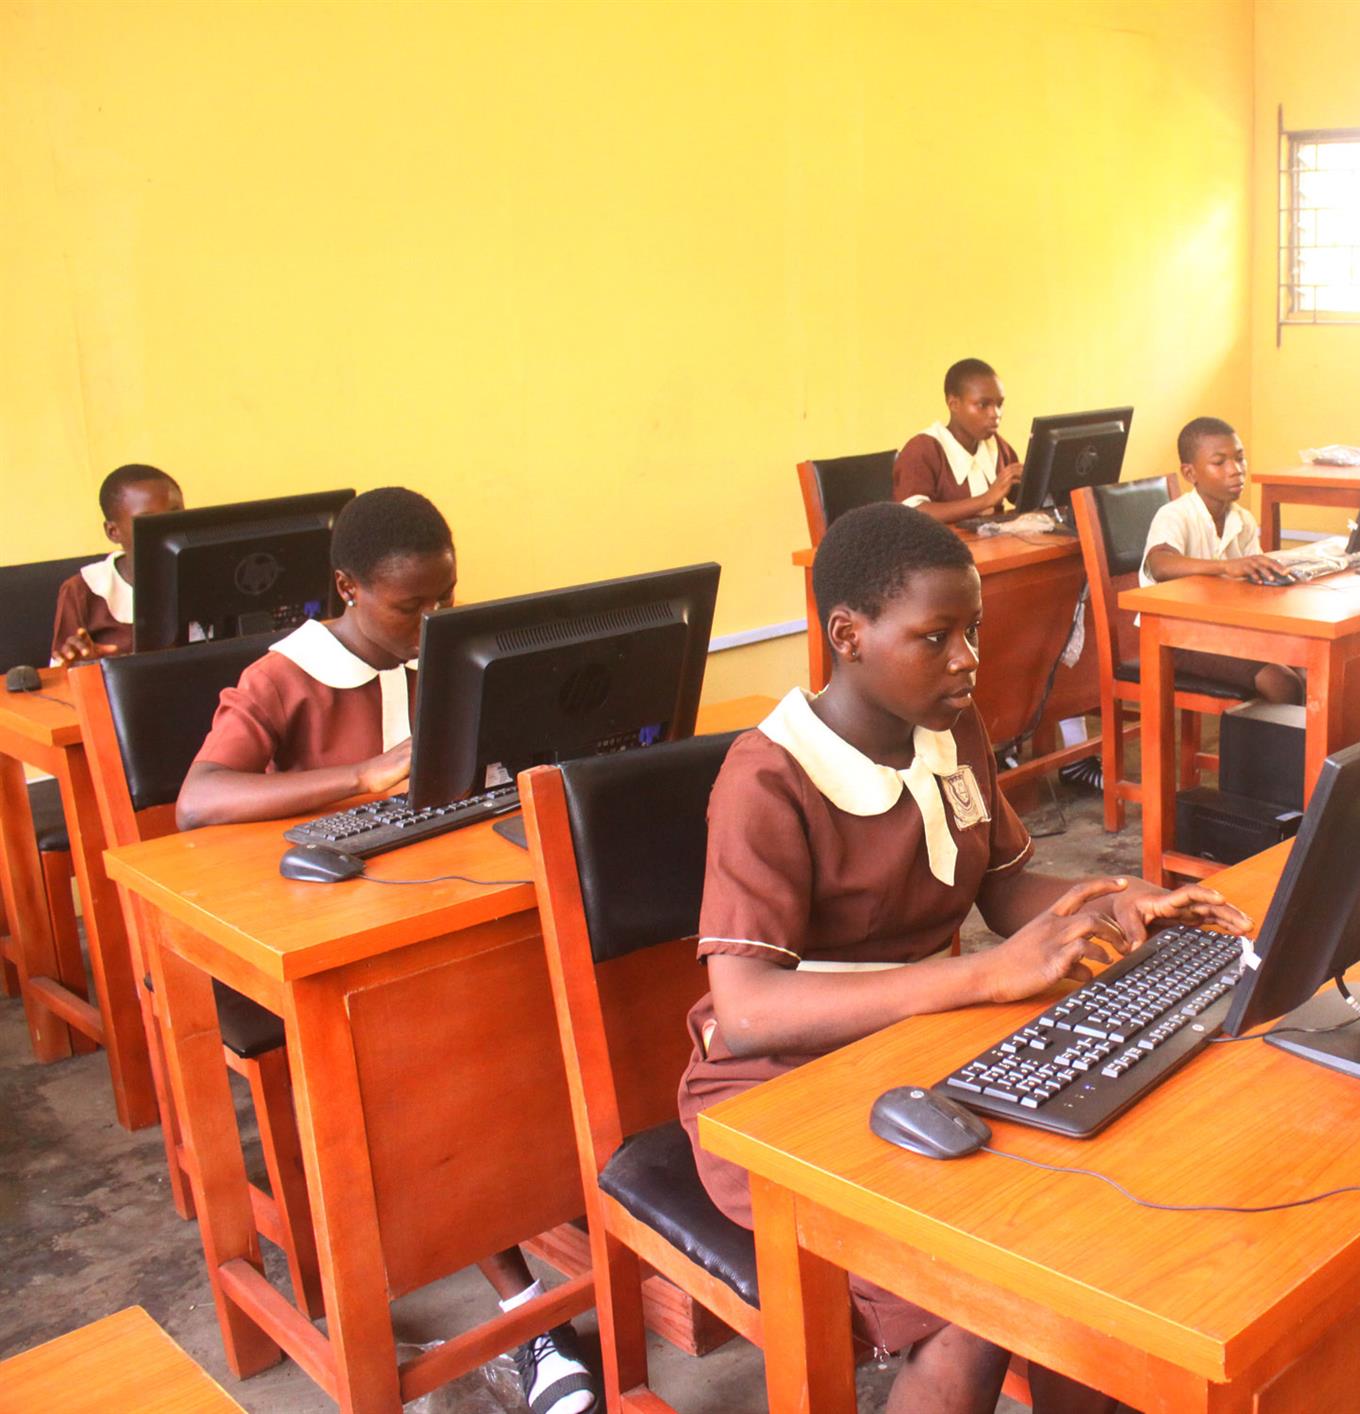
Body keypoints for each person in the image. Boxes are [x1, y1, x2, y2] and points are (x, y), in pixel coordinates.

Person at [678, 502, 1247, 1413]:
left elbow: (1004, 885)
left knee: (1089, 1222)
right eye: (936, 637)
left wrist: (1112, 899)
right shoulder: (769, 778)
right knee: (973, 1294)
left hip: (916, 1049)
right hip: (775, 1090)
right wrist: (985, 974)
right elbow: (747, 1012)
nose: (968, 659)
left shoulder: (952, 730)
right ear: (847, 636)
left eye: (972, 632)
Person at [177, 487, 597, 1414]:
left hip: (433, 903)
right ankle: (525, 1308)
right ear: (348, 588)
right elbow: (199, 799)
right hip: (329, 937)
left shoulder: (447, 654)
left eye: (447, 597)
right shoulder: (285, 676)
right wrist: (358, 776)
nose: (434, 621)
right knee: (435, 1059)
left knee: (561, 996)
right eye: (412, 606)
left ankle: (560, 1192)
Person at [1138, 417, 1302, 705]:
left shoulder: (1242, 520)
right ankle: (1258, 736)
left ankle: (1279, 735)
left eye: (1239, 458)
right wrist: (1226, 567)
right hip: (1176, 639)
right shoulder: (1175, 514)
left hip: (1224, 631)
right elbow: (1160, 564)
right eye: (1219, 462)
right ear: (1190, 473)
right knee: (1281, 682)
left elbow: (1252, 582)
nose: (1236, 470)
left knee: (1309, 667)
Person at [49, 464, 184, 665]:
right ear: (113, 532)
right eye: (148, 522)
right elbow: (63, 669)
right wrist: (87, 665)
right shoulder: (83, 590)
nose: (168, 529)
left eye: (176, 515)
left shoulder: (204, 575)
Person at [894, 358, 1024, 523]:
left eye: (999, 404)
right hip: (942, 540)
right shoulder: (922, 449)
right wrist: (985, 499)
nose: (995, 414)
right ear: (954, 404)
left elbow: (1019, 494)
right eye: (983, 405)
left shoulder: (996, 446)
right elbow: (913, 514)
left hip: (994, 539)